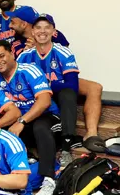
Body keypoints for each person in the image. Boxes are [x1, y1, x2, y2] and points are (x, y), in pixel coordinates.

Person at [0, 40, 61, 195]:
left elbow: (44, 101)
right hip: (23, 124)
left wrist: (21, 121)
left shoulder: (29, 70)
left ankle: (50, 180)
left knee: (40, 127)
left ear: (12, 54)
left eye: (1, 56)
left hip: (48, 118)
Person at [18, 15, 106, 153]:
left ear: (54, 31)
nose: (42, 31)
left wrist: (47, 84)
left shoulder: (63, 52)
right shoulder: (24, 56)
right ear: (33, 32)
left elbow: (73, 86)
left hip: (58, 95)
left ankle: (72, 139)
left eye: (47, 27)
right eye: (38, 28)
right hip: (36, 98)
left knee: (68, 93)